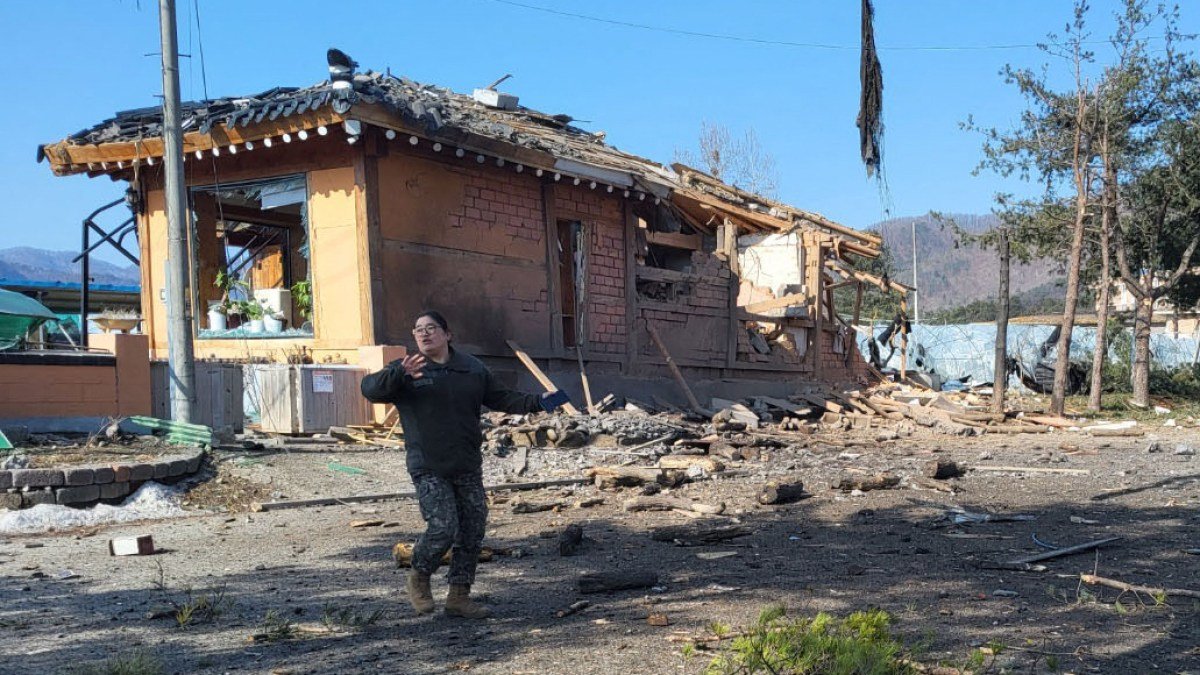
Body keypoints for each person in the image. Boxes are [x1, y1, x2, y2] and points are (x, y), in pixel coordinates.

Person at [360, 311, 570, 618]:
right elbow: (370, 389)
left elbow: (503, 398)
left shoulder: (471, 368)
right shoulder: (407, 369)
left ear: (448, 335)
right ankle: (418, 576)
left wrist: (541, 401)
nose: (424, 333)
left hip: (466, 464)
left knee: (472, 530)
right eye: (418, 330)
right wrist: (398, 375)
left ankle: (459, 596)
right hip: (428, 464)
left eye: (431, 328)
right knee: (443, 527)